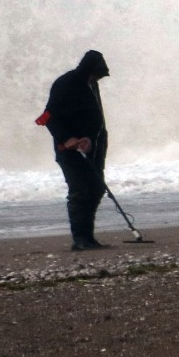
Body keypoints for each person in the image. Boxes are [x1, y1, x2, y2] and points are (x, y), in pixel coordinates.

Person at [37, 49, 112, 251]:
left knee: (96, 189)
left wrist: (90, 138)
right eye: (95, 75)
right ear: (88, 70)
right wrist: (67, 138)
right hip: (69, 150)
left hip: (93, 147)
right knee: (80, 191)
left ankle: (89, 238)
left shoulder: (91, 84)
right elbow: (47, 117)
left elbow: (94, 118)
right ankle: (80, 239)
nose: (96, 79)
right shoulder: (66, 84)